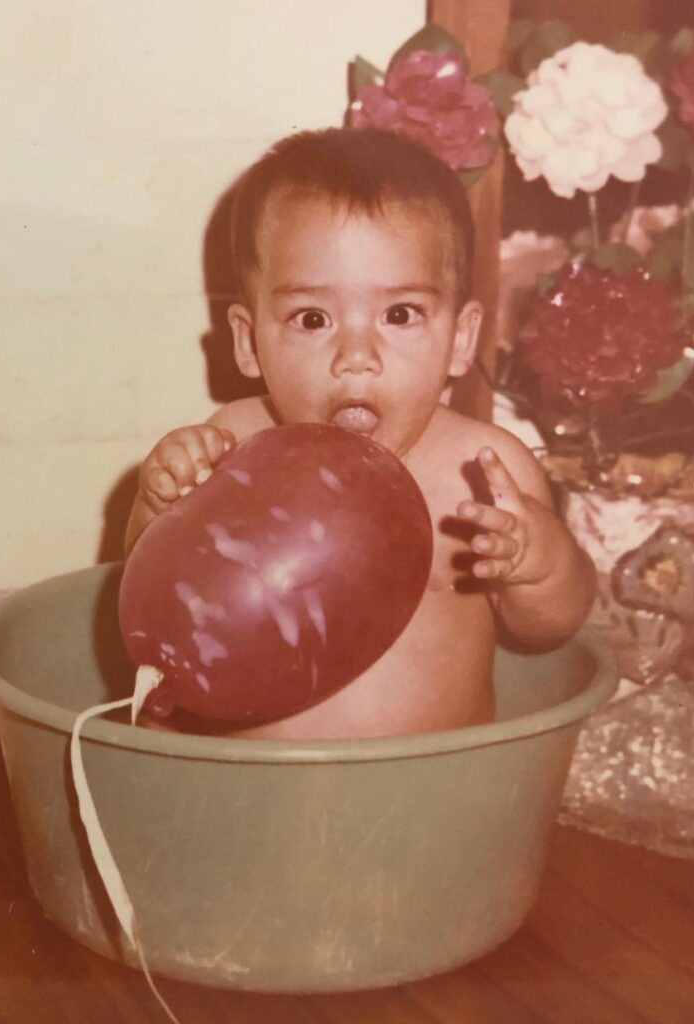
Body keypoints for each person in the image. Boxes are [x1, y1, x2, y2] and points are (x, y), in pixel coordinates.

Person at [124, 127, 596, 740]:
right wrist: (156, 505)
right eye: (312, 318)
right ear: (249, 340)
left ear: (459, 337)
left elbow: (553, 627)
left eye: (399, 315)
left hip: (430, 795)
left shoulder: (479, 473)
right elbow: (149, 591)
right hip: (246, 795)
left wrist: (537, 564)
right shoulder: (232, 446)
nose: (355, 355)